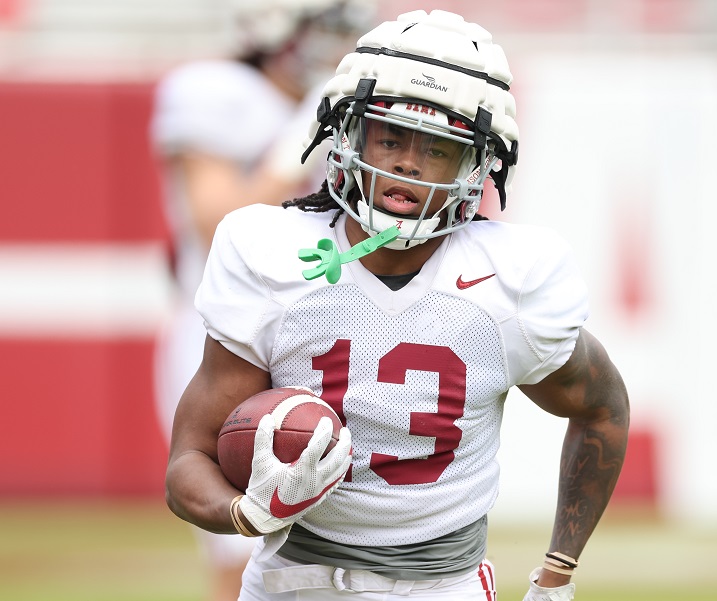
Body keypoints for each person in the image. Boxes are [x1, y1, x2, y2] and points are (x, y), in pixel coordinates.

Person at [163, 8, 630, 601]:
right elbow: (188, 463)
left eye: (439, 147)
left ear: (479, 163)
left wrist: (558, 571)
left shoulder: (510, 278)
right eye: (390, 136)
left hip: (445, 585)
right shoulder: (274, 253)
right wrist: (245, 515)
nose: (409, 161)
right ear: (346, 133)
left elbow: (603, 408)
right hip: (293, 582)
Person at [150, 1, 376, 600]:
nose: (340, 45)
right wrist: (306, 130)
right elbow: (220, 221)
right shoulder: (218, 92)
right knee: (250, 543)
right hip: (231, 334)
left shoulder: (357, 109)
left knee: (351, 546)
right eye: (326, 29)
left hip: (332, 331)